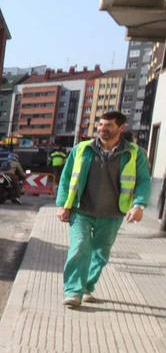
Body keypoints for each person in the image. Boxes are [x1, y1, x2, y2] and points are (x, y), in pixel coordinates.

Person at [56, 111, 152, 308]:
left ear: (121, 128)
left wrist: (139, 205)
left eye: (108, 126)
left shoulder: (135, 153)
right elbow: (66, 178)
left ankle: (87, 286)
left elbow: (143, 180)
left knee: (101, 254)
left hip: (112, 214)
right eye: (100, 125)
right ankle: (73, 291)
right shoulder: (82, 149)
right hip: (81, 210)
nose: (102, 129)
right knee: (80, 247)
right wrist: (62, 204)